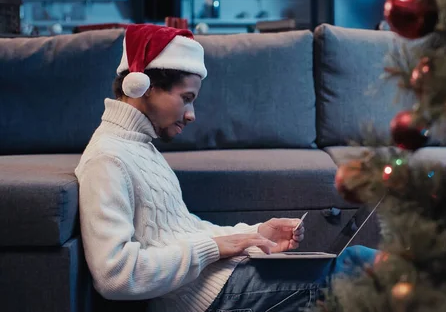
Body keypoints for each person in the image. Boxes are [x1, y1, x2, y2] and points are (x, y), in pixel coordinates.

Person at [75, 24, 378, 312]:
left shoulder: (140, 147)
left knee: (358, 264)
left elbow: (185, 231)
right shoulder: (108, 158)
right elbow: (113, 274)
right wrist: (216, 248)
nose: (191, 115)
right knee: (356, 269)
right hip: (208, 300)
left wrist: (256, 233)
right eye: (186, 99)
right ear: (144, 87)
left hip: (222, 283)